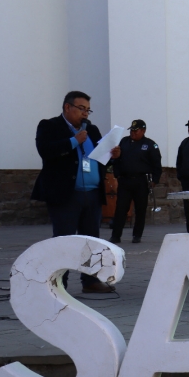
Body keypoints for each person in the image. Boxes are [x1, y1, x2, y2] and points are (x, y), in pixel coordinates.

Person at [32, 91, 120, 293]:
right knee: (64, 240)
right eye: (81, 109)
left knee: (91, 241)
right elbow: (45, 150)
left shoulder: (93, 130)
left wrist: (114, 155)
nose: (85, 114)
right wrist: (74, 141)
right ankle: (59, 283)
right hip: (65, 194)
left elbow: (100, 157)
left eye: (88, 110)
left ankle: (90, 281)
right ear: (67, 107)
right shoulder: (50, 126)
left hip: (92, 193)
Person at [109, 120, 162, 244]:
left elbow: (156, 164)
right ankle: (116, 235)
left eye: (136, 130)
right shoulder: (124, 142)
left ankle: (137, 235)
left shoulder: (150, 144)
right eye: (131, 130)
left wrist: (154, 180)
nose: (133, 132)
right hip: (125, 180)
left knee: (140, 209)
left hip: (141, 181)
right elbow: (116, 160)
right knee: (121, 209)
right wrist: (117, 174)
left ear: (143, 131)